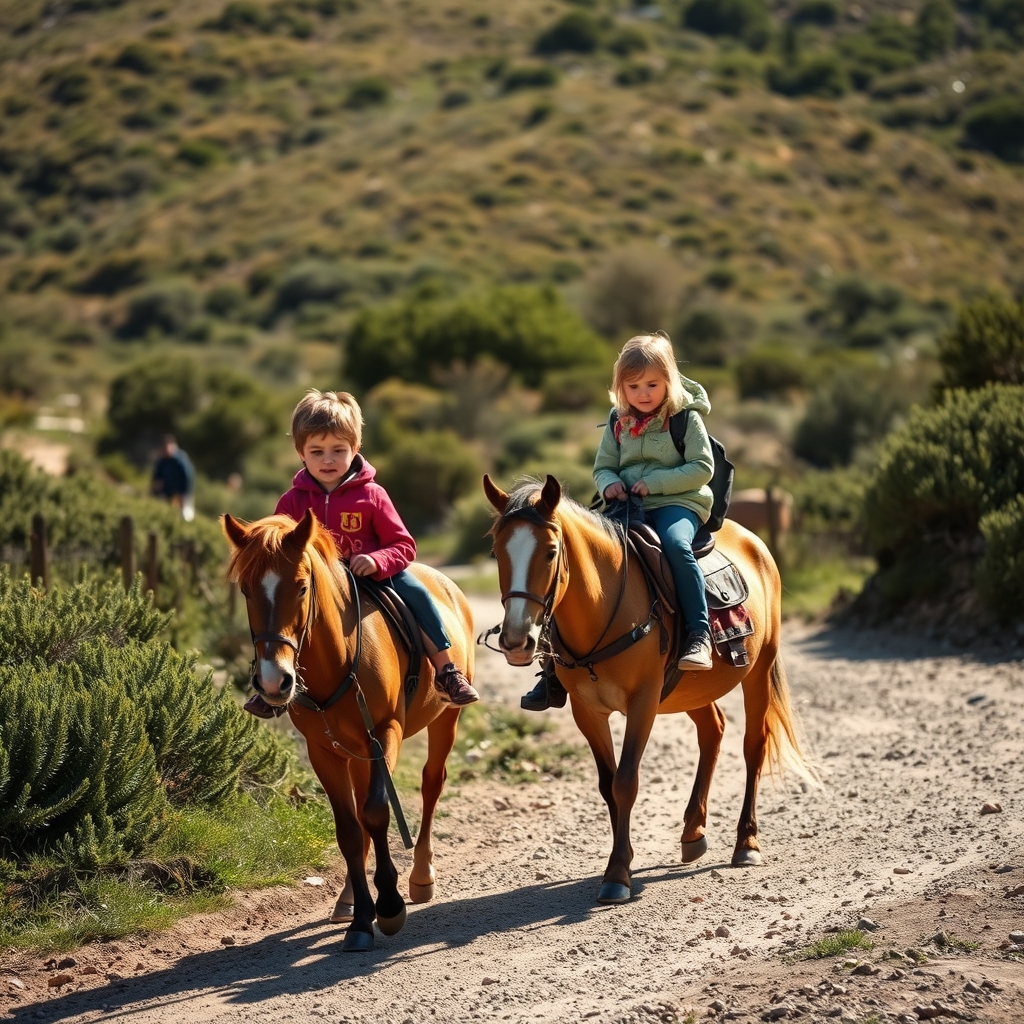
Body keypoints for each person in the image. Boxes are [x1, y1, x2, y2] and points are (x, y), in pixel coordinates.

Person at [244, 389, 479, 718]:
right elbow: (278, 553)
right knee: (277, 609)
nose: (328, 459)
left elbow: (404, 546)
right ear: (301, 453)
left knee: (419, 595)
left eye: (338, 450)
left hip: (375, 577)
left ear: (355, 449)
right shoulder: (291, 502)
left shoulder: (372, 495)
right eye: (317, 451)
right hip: (319, 587)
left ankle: (446, 671)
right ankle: (273, 681)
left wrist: (376, 560)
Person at [521, 332, 715, 712]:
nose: (643, 393)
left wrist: (655, 482)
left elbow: (703, 468)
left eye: (653, 385)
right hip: (626, 507)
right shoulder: (617, 421)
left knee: (675, 547)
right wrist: (609, 484)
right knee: (581, 558)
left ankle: (699, 634)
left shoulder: (685, 419)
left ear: (669, 382)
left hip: (678, 503)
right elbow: (603, 467)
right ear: (620, 387)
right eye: (633, 386)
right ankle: (552, 668)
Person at [151, 434, 196, 522]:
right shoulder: (162, 460)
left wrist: (183, 493)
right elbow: (156, 476)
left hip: (181, 493)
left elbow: (187, 477)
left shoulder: (180, 459)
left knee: (185, 515)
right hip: (167, 492)